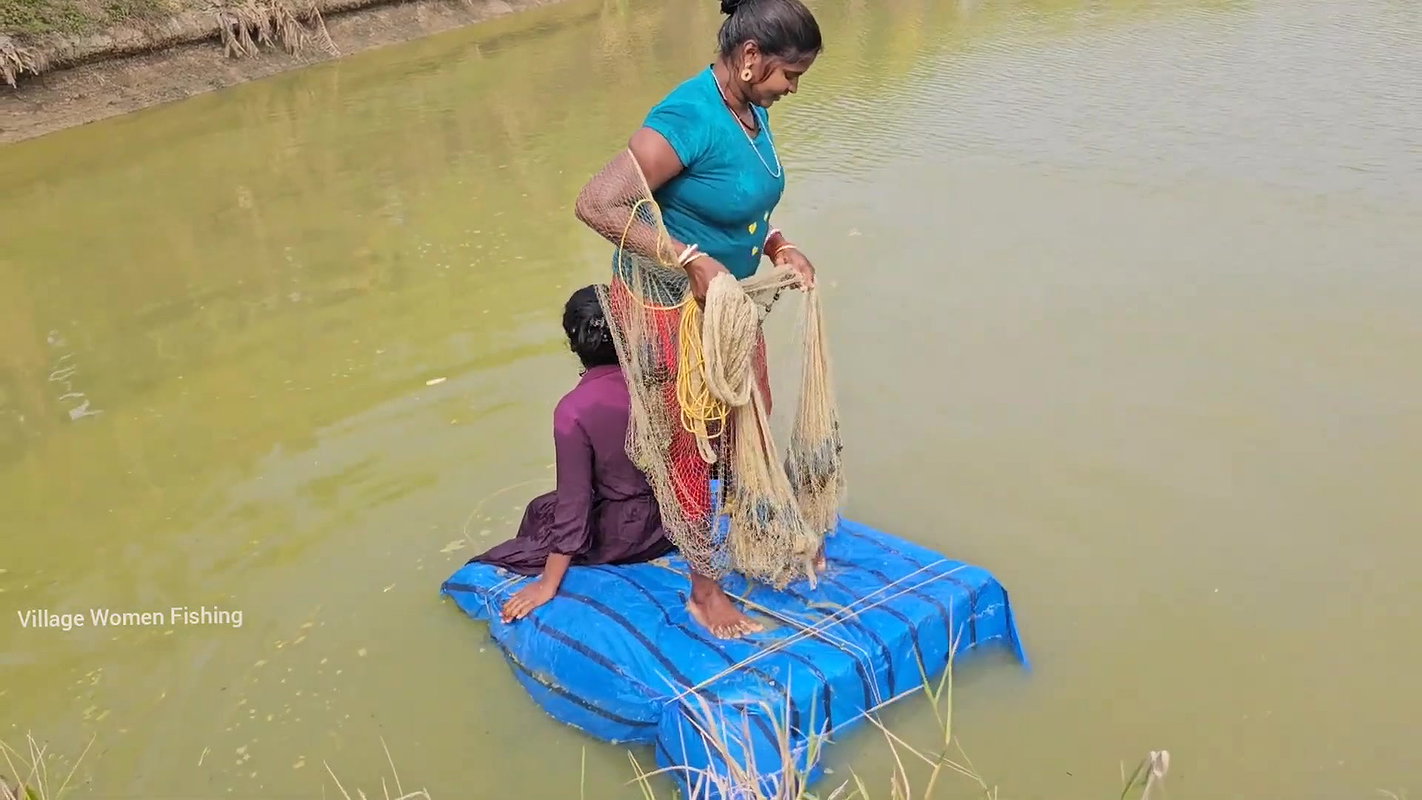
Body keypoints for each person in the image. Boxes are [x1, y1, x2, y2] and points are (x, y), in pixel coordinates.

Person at [573, 0, 824, 638]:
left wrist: (776, 245)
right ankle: (703, 589)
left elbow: (736, 201)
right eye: (788, 76)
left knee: (752, 417)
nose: (793, 90)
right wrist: (687, 259)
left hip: (726, 307)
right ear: (748, 59)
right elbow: (598, 202)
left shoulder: (751, 110)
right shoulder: (688, 115)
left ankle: (760, 533)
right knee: (692, 441)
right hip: (665, 307)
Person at [468, 285, 674, 623]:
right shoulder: (661, 381)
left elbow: (574, 504)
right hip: (670, 522)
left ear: (574, 345)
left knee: (512, 545)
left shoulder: (574, 410)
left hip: (629, 534)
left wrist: (548, 583)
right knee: (541, 507)